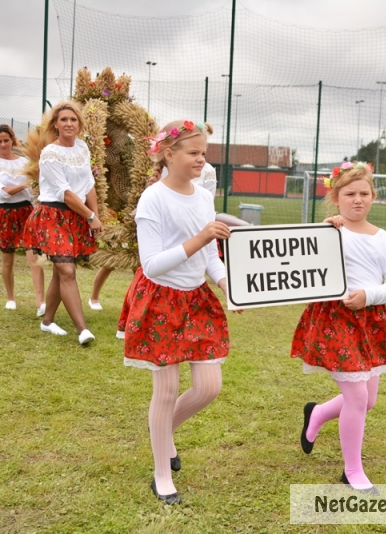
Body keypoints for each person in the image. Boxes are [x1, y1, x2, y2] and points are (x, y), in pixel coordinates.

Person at [120, 120, 231, 505]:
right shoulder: (153, 199)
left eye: (204, 153)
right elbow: (151, 265)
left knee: (208, 387)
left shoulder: (202, 196)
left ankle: (162, 434)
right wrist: (200, 237)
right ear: (169, 154)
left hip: (195, 299)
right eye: (194, 153)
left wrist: (224, 282)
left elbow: (209, 255)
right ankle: (161, 474)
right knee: (165, 390)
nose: (202, 160)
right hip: (160, 301)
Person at [291, 161, 386, 493]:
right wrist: (324, 232)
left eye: (364, 193)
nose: (357, 200)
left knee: (367, 400)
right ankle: (352, 470)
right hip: (335, 321)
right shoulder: (330, 232)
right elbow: (305, 264)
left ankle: (316, 414)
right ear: (336, 197)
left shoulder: (384, 239)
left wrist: (369, 296)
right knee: (357, 396)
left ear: (373, 197)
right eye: (349, 194)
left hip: (369, 321)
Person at [88, 162, 218, 312]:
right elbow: (151, 198)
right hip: (157, 228)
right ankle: (95, 297)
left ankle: (135, 305)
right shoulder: (163, 173)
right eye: (193, 153)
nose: (199, 159)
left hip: (189, 232)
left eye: (202, 153)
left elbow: (206, 207)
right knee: (118, 262)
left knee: (140, 267)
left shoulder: (206, 175)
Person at [23, 101, 102, 345]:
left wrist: (94, 217)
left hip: (76, 216)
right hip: (52, 216)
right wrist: (90, 215)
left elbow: (89, 184)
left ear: (79, 124)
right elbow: (65, 193)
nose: (69, 123)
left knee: (61, 271)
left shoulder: (82, 148)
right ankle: (82, 330)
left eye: (73, 119)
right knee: (67, 270)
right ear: (55, 124)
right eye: (64, 119)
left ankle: (47, 322)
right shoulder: (50, 153)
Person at [0, 125, 45, 315]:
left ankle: (40, 302)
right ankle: (10, 297)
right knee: (7, 259)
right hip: (3, 213)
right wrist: (26, 183)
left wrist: (29, 186)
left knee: (34, 257)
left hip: (26, 211)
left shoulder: (25, 162)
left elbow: (32, 190)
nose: (3, 144)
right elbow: (2, 192)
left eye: (6, 140)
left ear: (12, 140)